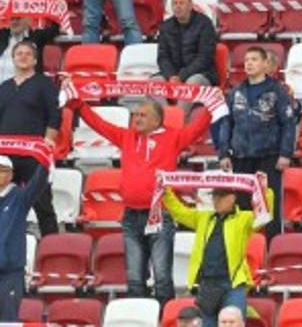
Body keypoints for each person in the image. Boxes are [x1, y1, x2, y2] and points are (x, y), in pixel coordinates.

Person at [66, 96, 219, 303]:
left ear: (157, 121)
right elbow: (99, 125)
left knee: (162, 278)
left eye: (142, 115)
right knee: (135, 279)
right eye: (135, 115)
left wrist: (213, 104)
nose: (136, 119)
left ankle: (165, 321)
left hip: (160, 215)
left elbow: (199, 127)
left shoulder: (174, 137)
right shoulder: (126, 137)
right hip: (130, 216)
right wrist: (80, 106)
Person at [162, 177, 275, 327]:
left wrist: (265, 191)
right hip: (207, 283)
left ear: (232, 198)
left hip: (232, 284)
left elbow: (264, 216)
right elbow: (179, 212)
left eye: (220, 196)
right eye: (214, 196)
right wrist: (165, 192)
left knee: (233, 323)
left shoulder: (244, 218)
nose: (216, 200)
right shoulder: (203, 217)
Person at [213, 46, 298, 239]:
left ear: (265, 64)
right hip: (241, 156)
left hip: (269, 157)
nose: (249, 63)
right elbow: (227, 123)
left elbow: (288, 122)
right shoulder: (236, 92)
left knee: (268, 206)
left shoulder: (277, 91)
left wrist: (285, 153)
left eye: (254, 59)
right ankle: (246, 247)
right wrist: (224, 153)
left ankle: (270, 247)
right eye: (247, 60)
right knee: (243, 207)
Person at [0, 42, 57, 237]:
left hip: (33, 155)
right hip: (5, 156)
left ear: (34, 60)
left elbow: (55, 115)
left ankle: (53, 250)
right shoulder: (4, 87)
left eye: (27, 54)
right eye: (19, 53)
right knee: (3, 204)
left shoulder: (44, 84)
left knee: (43, 205)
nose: (23, 57)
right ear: (13, 58)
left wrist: (48, 144)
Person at [0, 153, 47, 320]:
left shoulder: (19, 197)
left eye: (3, 170)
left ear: (11, 174)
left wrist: (45, 160)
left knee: (8, 320)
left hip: (10, 273)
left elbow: (38, 183)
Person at [158, 0, 220, 86]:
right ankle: (164, 102)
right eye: (175, 3)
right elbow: (163, 57)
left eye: (181, 3)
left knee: (191, 83)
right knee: (154, 82)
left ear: (191, 5)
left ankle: (180, 101)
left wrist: (181, 76)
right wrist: (171, 76)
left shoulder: (204, 24)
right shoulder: (166, 26)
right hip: (172, 75)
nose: (177, 6)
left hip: (201, 73)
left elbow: (204, 58)